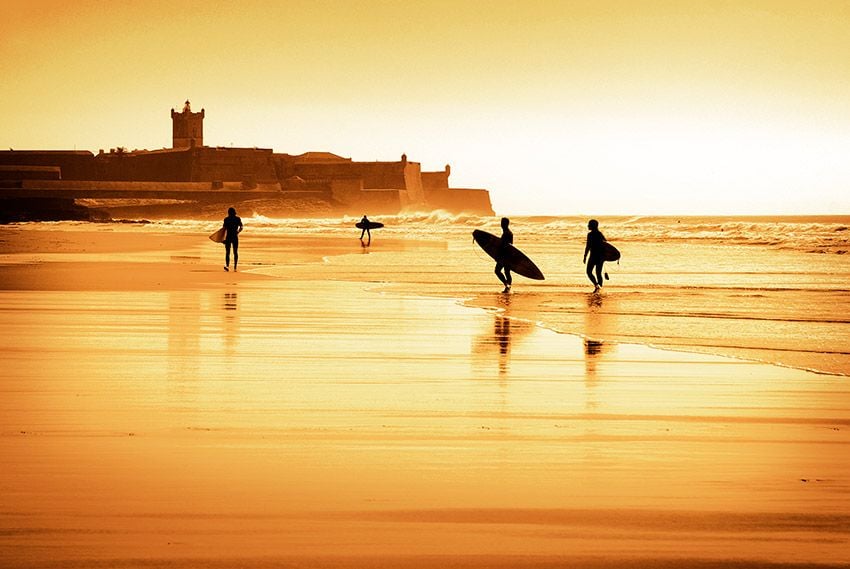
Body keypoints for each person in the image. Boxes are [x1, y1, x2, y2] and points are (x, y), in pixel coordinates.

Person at [583, 218, 607, 292]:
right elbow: (605, 243)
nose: (588, 226)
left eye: (589, 225)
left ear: (592, 226)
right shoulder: (600, 234)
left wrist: (585, 256)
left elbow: (588, 246)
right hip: (600, 256)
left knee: (589, 272)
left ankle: (597, 286)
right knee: (598, 273)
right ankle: (599, 287)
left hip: (593, 256)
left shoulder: (590, 235)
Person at [495, 217, 513, 293]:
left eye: (503, 223)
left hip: (505, 256)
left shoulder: (507, 233)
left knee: (498, 271)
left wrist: (498, 256)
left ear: (506, 224)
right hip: (506, 256)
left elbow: (507, 245)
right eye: (501, 223)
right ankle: (507, 286)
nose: (501, 224)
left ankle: (507, 286)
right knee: (506, 272)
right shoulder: (507, 232)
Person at [222, 207, 243, 272]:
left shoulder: (226, 219)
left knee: (227, 252)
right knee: (235, 252)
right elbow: (241, 227)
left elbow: (224, 230)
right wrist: (238, 231)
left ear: (228, 212)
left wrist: (223, 239)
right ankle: (235, 267)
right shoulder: (237, 219)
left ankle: (227, 266)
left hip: (228, 237)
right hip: (235, 237)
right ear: (234, 212)